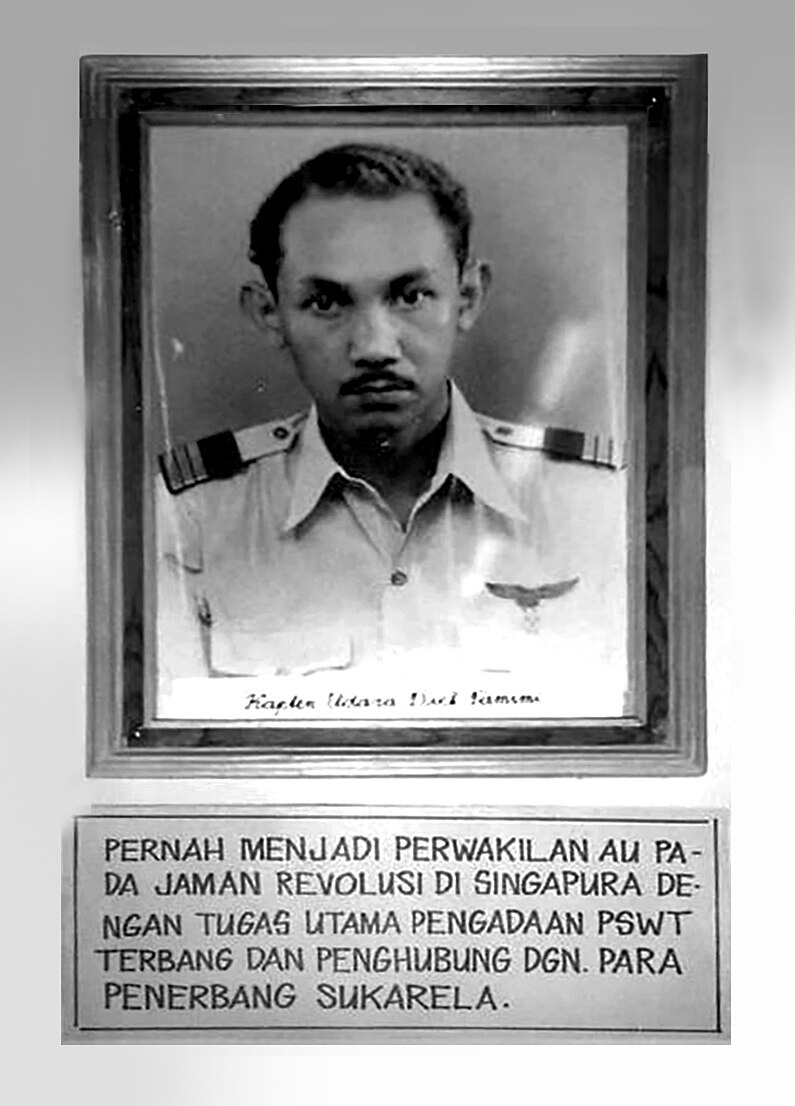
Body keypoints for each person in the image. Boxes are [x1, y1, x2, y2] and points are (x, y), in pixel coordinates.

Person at [156, 142, 627, 713]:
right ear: (269, 314)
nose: (375, 347)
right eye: (326, 302)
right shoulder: (183, 521)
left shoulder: (604, 506)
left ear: (469, 297)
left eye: (411, 296)